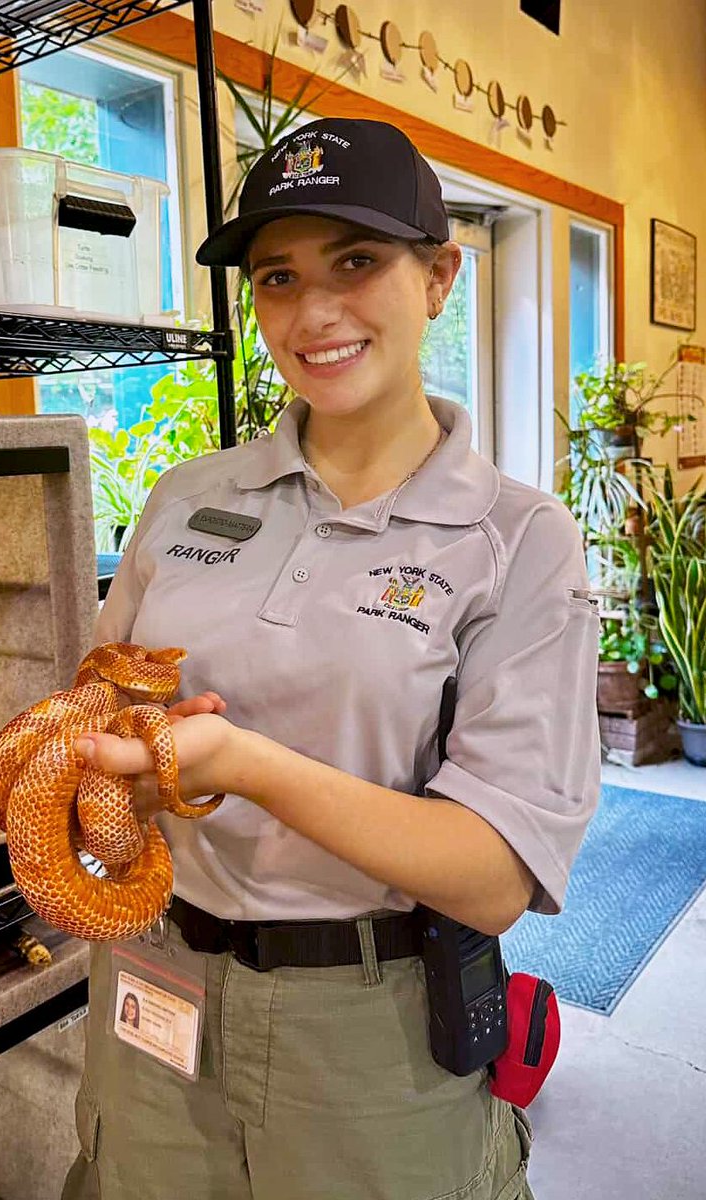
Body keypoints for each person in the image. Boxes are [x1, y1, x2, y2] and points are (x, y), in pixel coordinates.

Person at [61, 117, 600, 1200]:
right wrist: (93, 778)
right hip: (156, 976)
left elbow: (494, 878)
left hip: (369, 1028)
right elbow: (105, 701)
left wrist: (239, 764)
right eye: (277, 277)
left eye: (356, 262)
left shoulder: (518, 540)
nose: (313, 315)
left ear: (441, 276)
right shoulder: (189, 496)